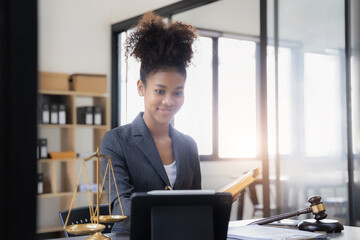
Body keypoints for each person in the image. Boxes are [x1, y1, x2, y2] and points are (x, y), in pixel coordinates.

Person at [100, 11, 201, 233]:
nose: (169, 101)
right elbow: (122, 207)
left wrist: (215, 204)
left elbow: (195, 203)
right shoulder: (115, 141)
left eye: (178, 92)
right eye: (160, 91)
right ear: (141, 88)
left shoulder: (189, 145)